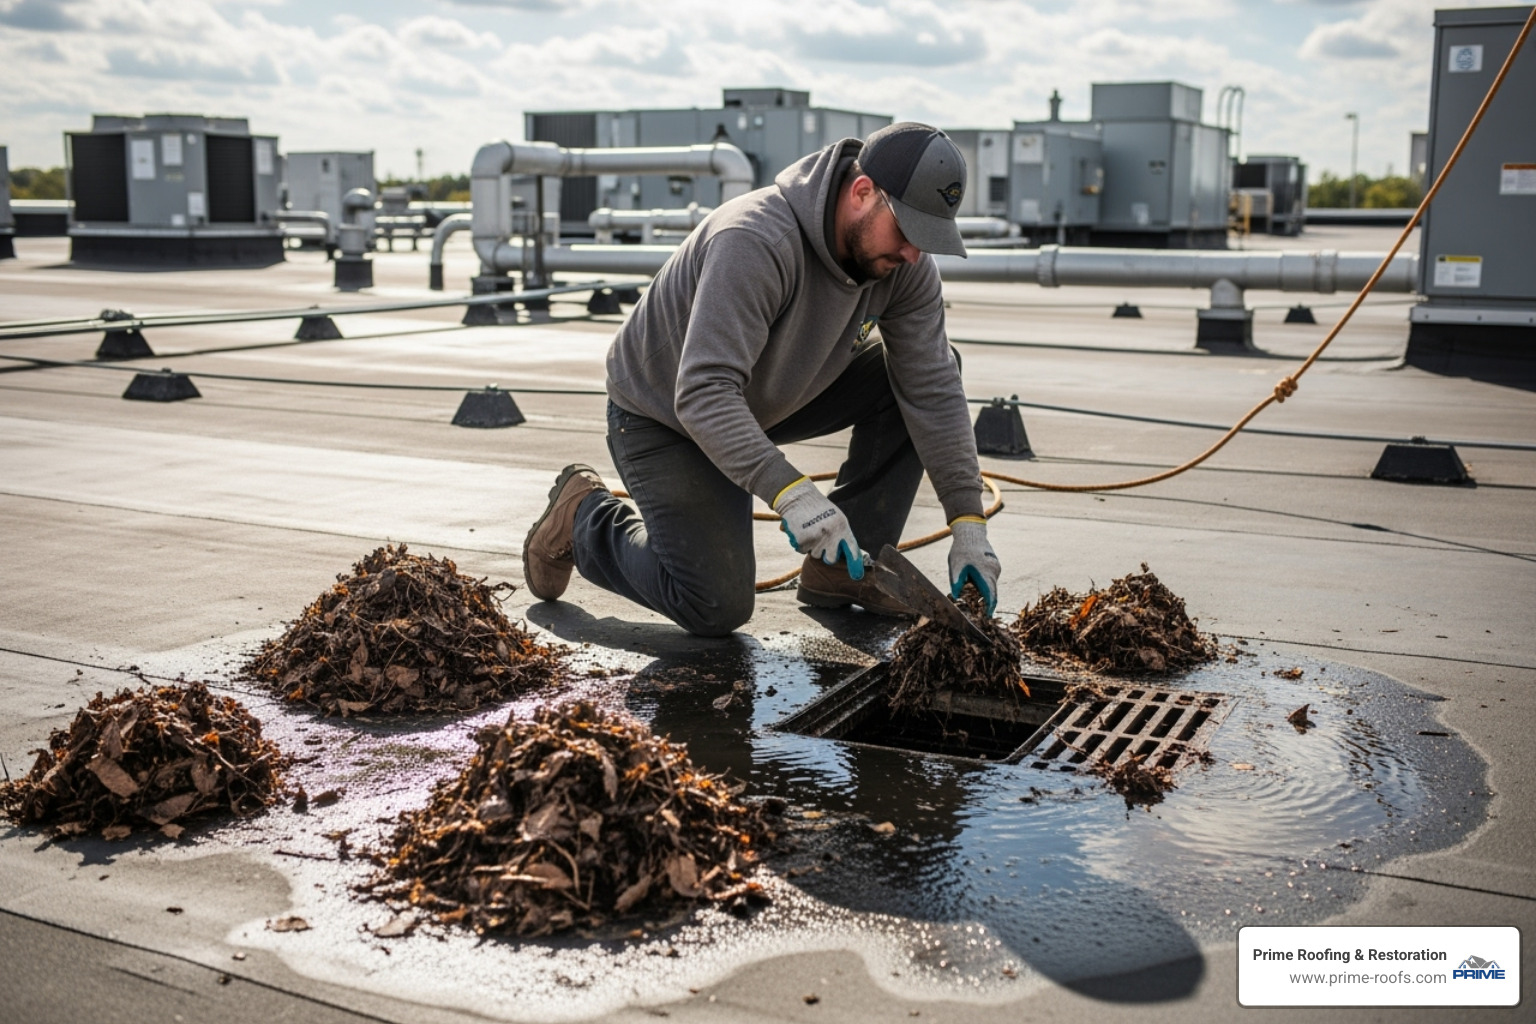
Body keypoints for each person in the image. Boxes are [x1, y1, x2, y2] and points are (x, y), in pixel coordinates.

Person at [522, 122, 1000, 637]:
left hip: (765, 397)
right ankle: (583, 517)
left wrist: (968, 520)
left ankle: (840, 572)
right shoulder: (755, 239)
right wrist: (792, 494)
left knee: (930, 368)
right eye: (907, 232)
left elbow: (931, 386)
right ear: (862, 192)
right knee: (716, 604)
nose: (913, 254)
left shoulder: (904, 266)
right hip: (665, 414)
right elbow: (704, 393)